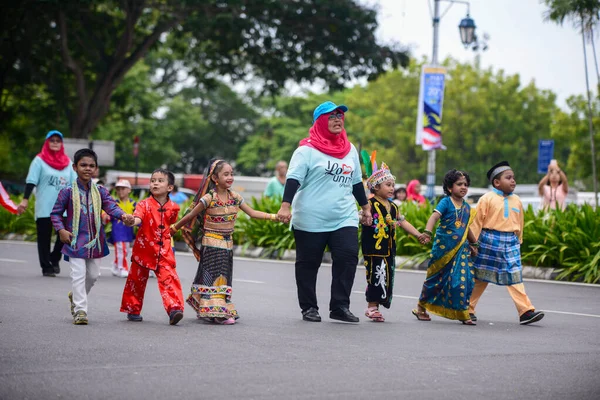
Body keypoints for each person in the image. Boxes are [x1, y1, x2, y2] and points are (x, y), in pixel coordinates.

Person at [276, 101, 373, 324]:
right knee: (308, 264)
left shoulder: (350, 149)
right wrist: (285, 205)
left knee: (348, 257)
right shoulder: (306, 151)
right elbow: (293, 179)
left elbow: (356, 182)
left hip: (344, 216)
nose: (338, 119)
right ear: (320, 121)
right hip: (311, 217)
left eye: (340, 115)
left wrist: (365, 207)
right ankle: (309, 307)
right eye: (331, 116)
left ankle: (340, 306)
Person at [172, 159, 279, 325]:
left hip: (227, 244)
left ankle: (211, 309)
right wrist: (174, 228)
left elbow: (252, 213)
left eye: (232, 174)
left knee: (222, 277)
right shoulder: (209, 198)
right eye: (226, 174)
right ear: (215, 178)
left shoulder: (235, 197)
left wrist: (274, 217)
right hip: (211, 243)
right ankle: (216, 312)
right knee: (214, 276)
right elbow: (191, 215)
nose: (230, 177)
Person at [51, 148, 134, 325]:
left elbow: (111, 207)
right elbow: (56, 214)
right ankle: (80, 310)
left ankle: (75, 296)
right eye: (83, 165)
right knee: (79, 275)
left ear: (96, 169)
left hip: (95, 242)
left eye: (91, 166)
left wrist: (123, 216)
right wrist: (61, 230)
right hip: (74, 240)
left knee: (93, 275)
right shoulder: (66, 191)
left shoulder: (100, 191)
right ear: (75, 167)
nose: (87, 169)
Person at [468, 161, 545, 325]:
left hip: (510, 243)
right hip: (488, 241)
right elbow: (476, 222)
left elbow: (520, 222)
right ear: (496, 182)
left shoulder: (517, 200)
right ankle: (468, 309)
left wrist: (519, 241)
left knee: (515, 276)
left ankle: (525, 311)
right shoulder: (486, 199)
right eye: (508, 178)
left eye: (513, 178)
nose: (513, 181)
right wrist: (472, 244)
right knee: (480, 277)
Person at [361, 156, 426, 322]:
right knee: (376, 275)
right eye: (388, 185)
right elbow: (361, 216)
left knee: (386, 276)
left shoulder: (394, 206)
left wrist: (418, 235)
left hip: (388, 248)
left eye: (392, 185)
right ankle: (371, 307)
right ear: (375, 187)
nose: (392, 189)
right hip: (374, 248)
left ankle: (376, 305)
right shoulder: (370, 203)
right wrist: (364, 218)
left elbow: (402, 221)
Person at [413, 169, 478, 325]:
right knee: (434, 280)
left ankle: (463, 313)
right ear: (450, 188)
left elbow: (466, 228)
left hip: (461, 250)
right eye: (459, 184)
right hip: (443, 249)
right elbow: (434, 216)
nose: (463, 187)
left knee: (463, 280)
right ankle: (421, 307)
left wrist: (474, 244)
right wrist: (427, 232)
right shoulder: (446, 202)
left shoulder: (467, 208)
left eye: (466, 184)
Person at [17, 130, 76, 277]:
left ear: (61, 144)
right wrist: (25, 200)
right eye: (52, 140)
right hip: (44, 207)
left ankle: (55, 258)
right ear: (47, 142)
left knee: (64, 237)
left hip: (63, 208)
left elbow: (74, 184)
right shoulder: (39, 160)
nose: (55, 143)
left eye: (58, 140)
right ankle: (46, 266)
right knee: (43, 239)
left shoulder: (68, 162)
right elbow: (31, 181)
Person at [109, 179, 136, 278]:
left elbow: (138, 216)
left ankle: (116, 265)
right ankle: (122, 268)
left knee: (125, 250)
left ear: (129, 190)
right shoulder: (114, 204)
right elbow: (107, 215)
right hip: (117, 231)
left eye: (123, 189)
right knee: (121, 249)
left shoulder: (133, 203)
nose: (120, 191)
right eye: (118, 189)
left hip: (128, 231)